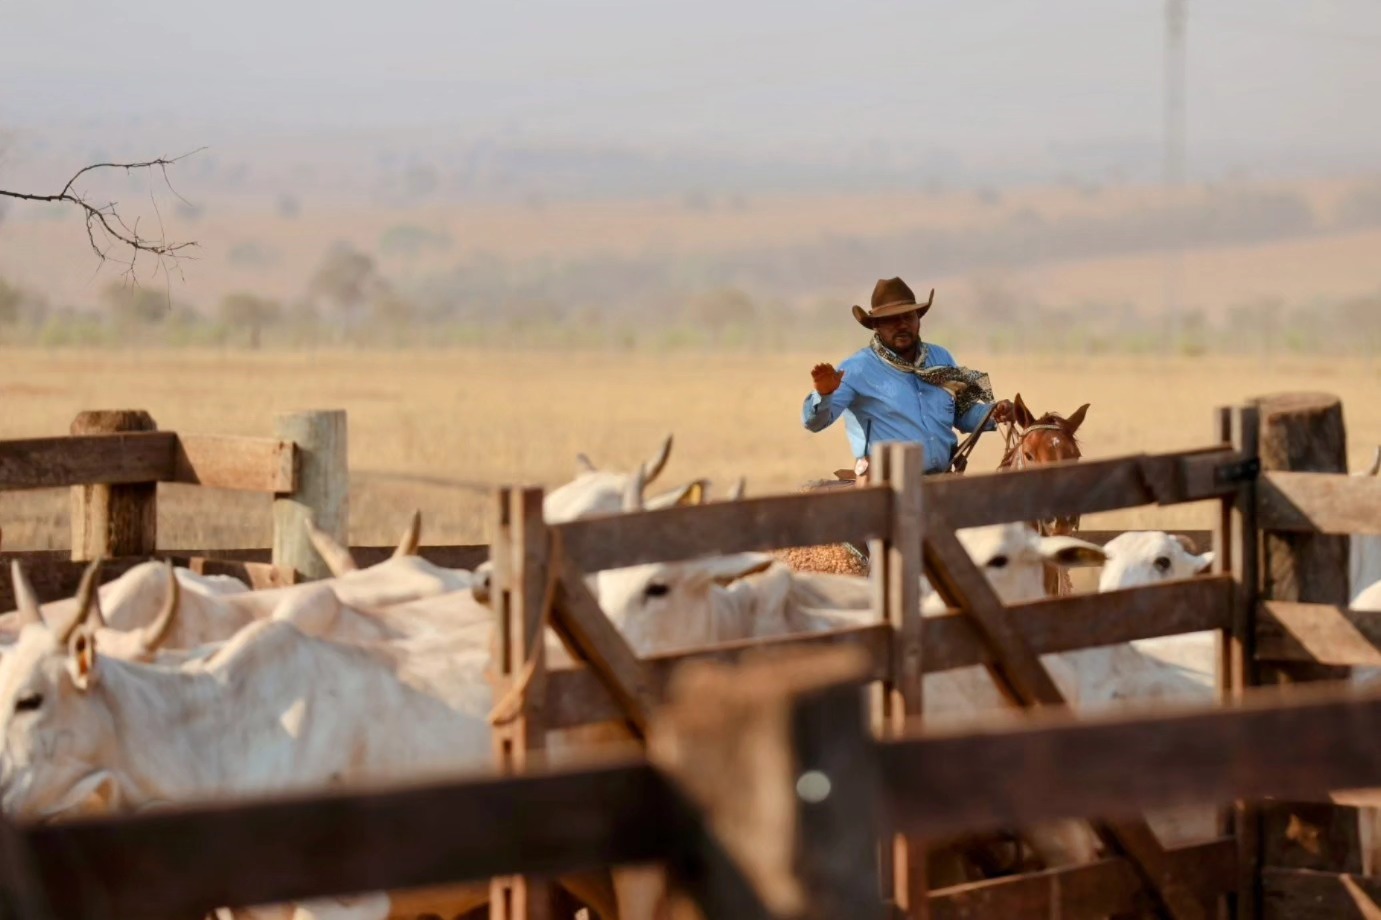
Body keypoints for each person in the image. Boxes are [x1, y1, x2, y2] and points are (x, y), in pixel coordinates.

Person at [803, 277, 1014, 479]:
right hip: (885, 487)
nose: (902, 325)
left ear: (918, 320)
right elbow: (815, 423)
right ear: (876, 325)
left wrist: (993, 413)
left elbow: (962, 412)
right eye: (892, 320)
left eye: (908, 317)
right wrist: (824, 395)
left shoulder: (941, 357)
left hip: (944, 480)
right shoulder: (856, 369)